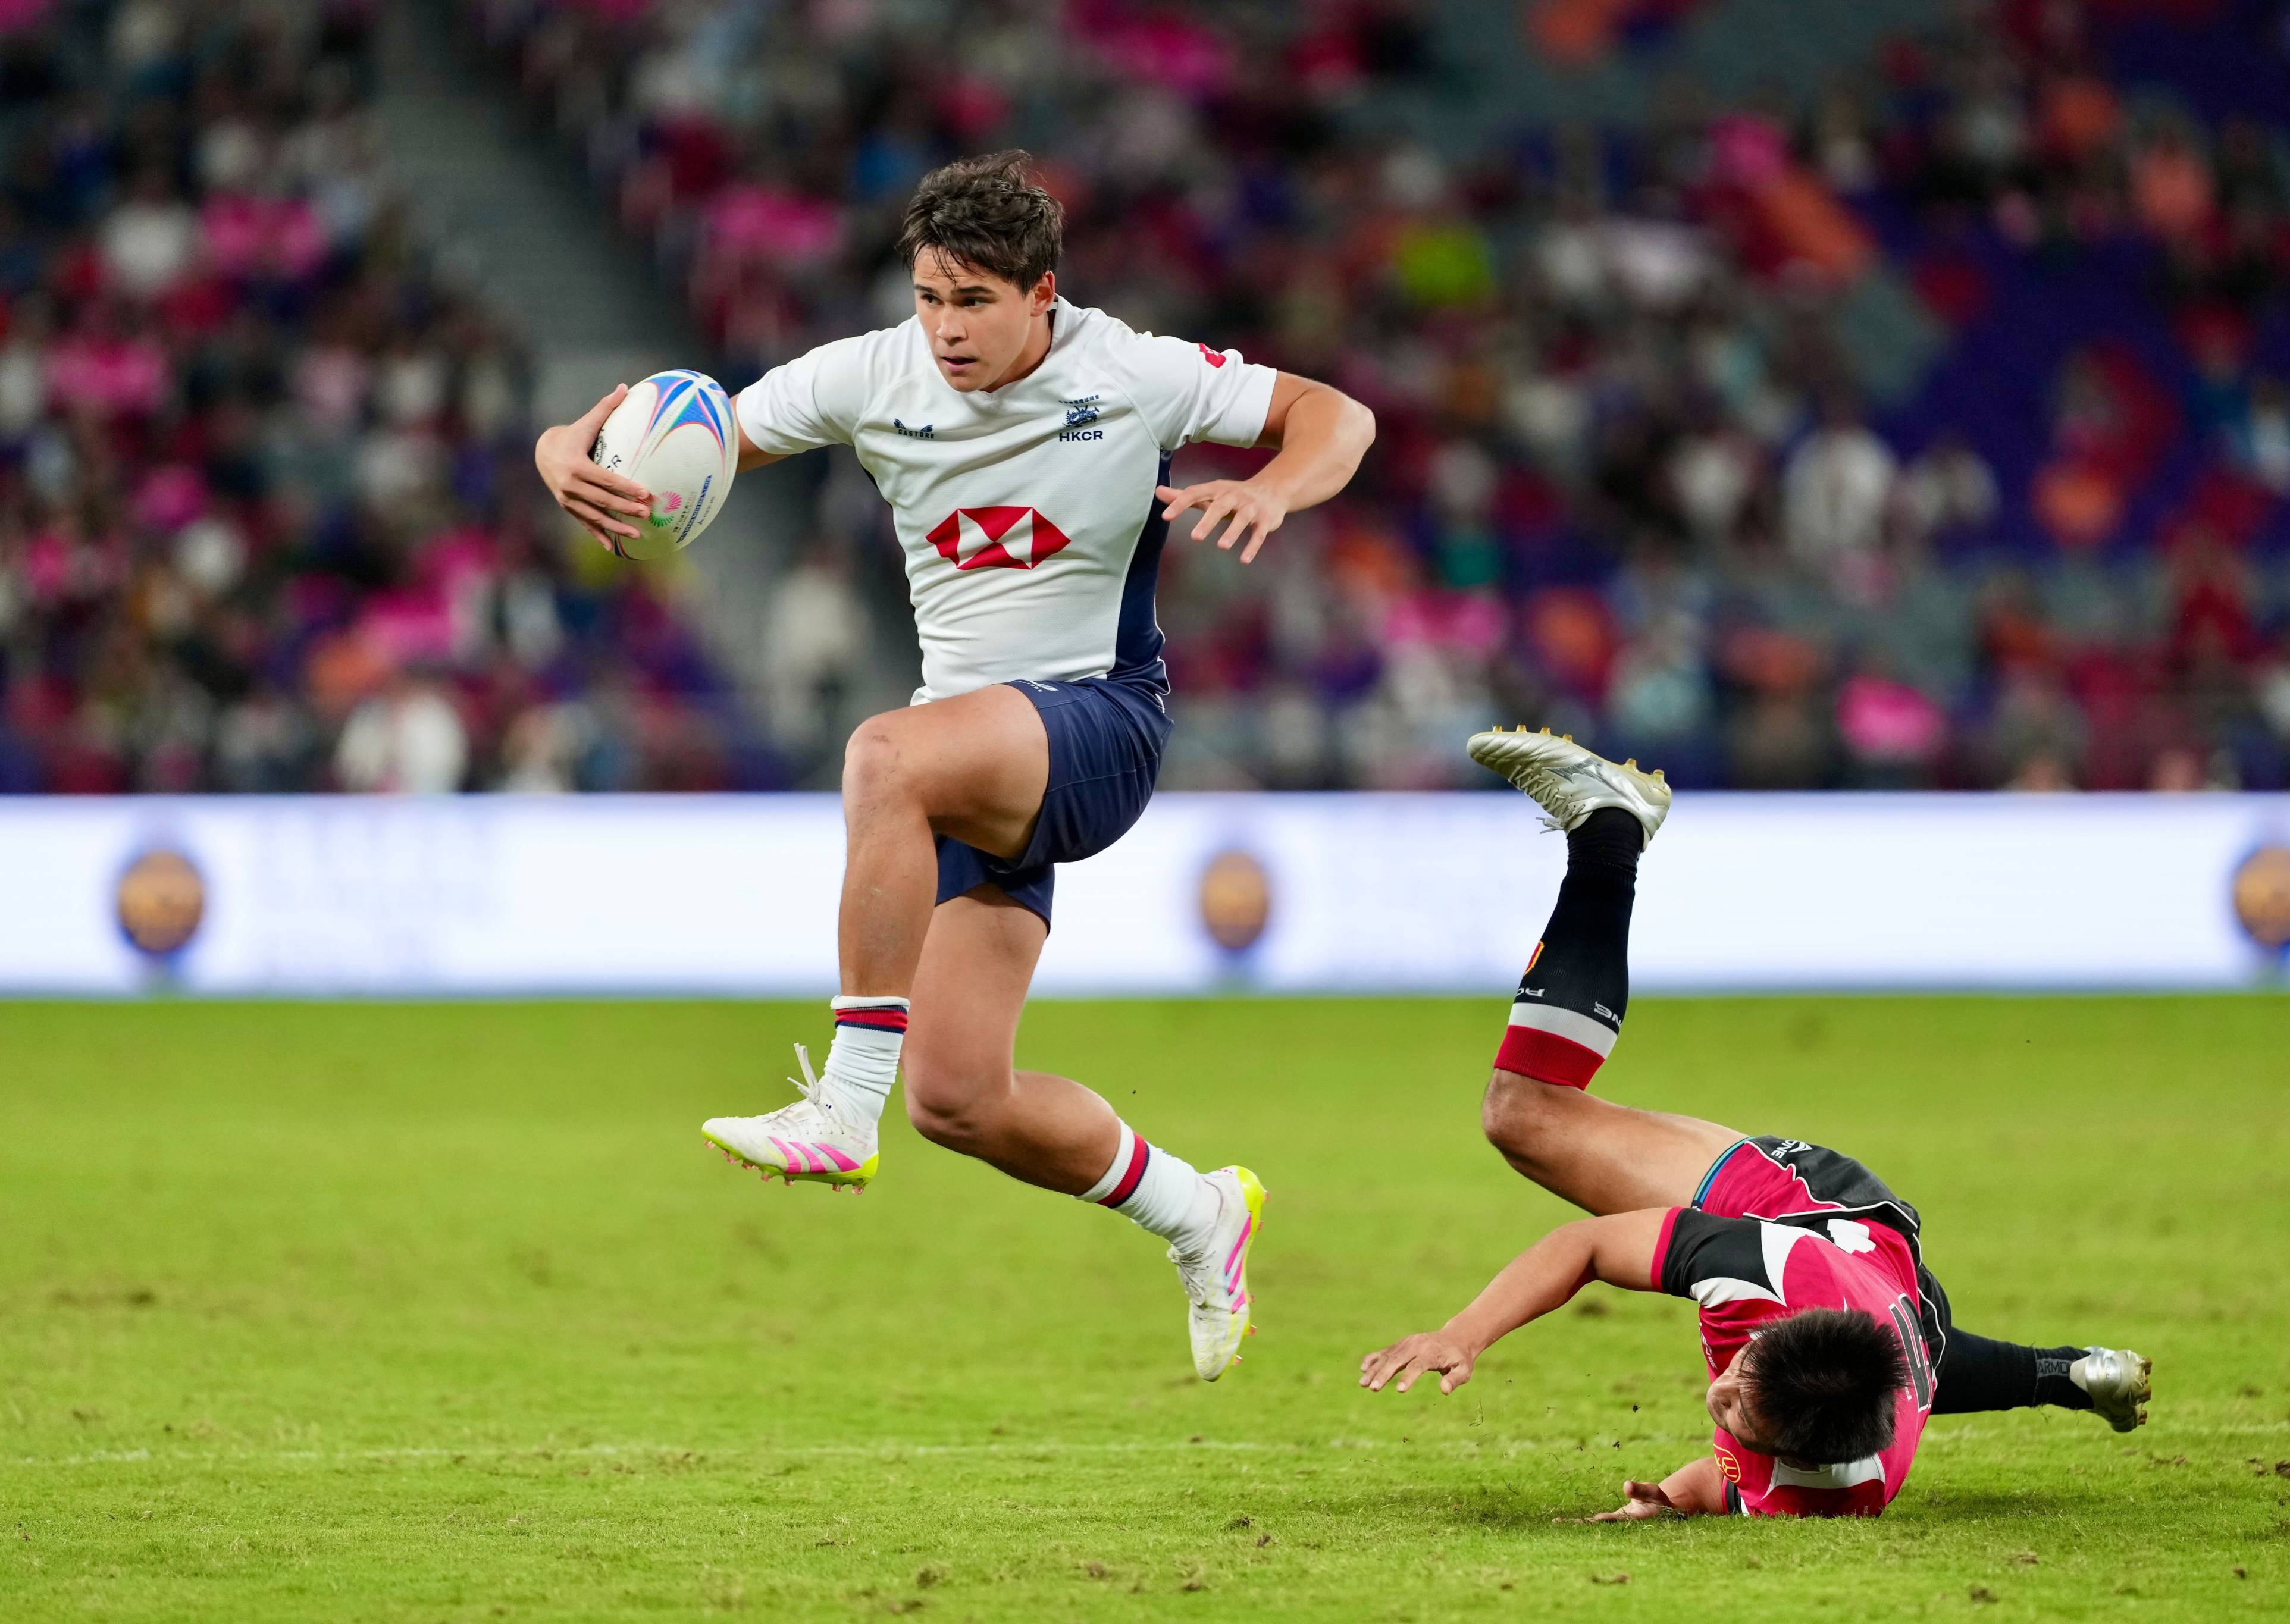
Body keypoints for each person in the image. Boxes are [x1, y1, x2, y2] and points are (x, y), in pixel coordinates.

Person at [532, 152, 1374, 1380]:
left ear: (1042, 295)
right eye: (929, 295)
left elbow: (1333, 413)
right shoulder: (868, 374)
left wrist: (1275, 488)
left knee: (881, 753)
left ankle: (839, 1108)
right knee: (964, 1098)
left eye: (972, 300)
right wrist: (568, 447)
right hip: (968, 755)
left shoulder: (1130, 370)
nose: (945, 327)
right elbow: (692, 434)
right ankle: (1202, 1213)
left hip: (1097, 720)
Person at [1358, 728, 2151, 1516]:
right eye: (1743, 1377)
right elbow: (1590, 1245)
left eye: (1742, 1415)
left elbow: (1733, 1480)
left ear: (1803, 1454)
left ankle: (2071, 1372)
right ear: (1774, 1333)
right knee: (1525, 1114)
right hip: (1815, 1212)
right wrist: (1461, 1333)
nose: (1720, 1394)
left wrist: (1667, 1500)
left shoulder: (1839, 1483)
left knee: (1928, 1357)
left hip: (1900, 1299)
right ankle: (1609, 833)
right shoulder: (1766, 1270)